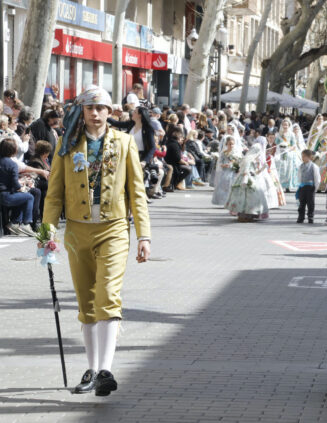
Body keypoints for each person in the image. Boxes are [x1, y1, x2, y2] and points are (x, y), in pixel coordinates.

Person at [42, 85, 151, 396]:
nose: (95, 113)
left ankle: (106, 369)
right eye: (90, 108)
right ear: (82, 111)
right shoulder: (67, 143)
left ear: (110, 112)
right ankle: (93, 369)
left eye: (101, 107)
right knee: (86, 302)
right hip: (77, 230)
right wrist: (47, 233)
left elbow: (137, 193)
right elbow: (54, 195)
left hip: (114, 228)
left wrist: (144, 235)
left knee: (107, 295)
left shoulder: (124, 142)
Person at [0, 138, 37, 236]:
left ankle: (15, 222)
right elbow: (15, 184)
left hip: (3, 194)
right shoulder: (12, 164)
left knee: (22, 196)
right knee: (29, 197)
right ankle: (26, 223)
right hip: (6, 195)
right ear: (13, 150)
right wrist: (22, 187)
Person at [225, 144, 269, 222]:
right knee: (246, 197)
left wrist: (263, 168)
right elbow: (245, 171)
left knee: (252, 197)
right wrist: (245, 180)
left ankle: (250, 214)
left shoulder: (253, 160)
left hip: (252, 178)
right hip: (246, 179)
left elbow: (255, 172)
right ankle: (244, 215)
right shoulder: (248, 159)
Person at [275, 118, 301, 191]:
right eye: (283, 124)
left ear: (289, 125)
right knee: (280, 168)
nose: (285, 126)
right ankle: (280, 184)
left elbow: (294, 145)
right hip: (280, 152)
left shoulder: (292, 134)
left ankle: (288, 186)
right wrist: (277, 137)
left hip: (288, 153)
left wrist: (288, 149)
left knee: (288, 169)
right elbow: (276, 142)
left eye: (286, 125)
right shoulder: (279, 134)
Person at [212, 136, 239, 206]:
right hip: (225, 171)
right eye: (230, 144)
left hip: (233, 171)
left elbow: (239, 161)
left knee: (233, 186)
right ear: (226, 144)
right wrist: (224, 165)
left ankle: (232, 202)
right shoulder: (224, 153)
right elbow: (220, 162)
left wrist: (235, 165)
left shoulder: (236, 153)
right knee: (224, 186)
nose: (231, 145)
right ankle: (224, 201)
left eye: (232, 144)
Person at [296, 150, 320, 224]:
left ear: (309, 157)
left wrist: (315, 187)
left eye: (304, 156)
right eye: (302, 156)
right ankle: (301, 217)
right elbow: (299, 176)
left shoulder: (314, 166)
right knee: (302, 203)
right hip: (302, 186)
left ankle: (310, 217)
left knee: (310, 203)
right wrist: (299, 185)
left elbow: (317, 177)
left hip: (310, 187)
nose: (302, 158)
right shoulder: (301, 166)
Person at [164, 125, 192, 190]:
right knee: (188, 169)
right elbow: (177, 158)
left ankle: (176, 183)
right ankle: (175, 183)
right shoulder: (174, 144)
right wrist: (185, 162)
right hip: (173, 163)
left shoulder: (171, 142)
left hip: (172, 162)